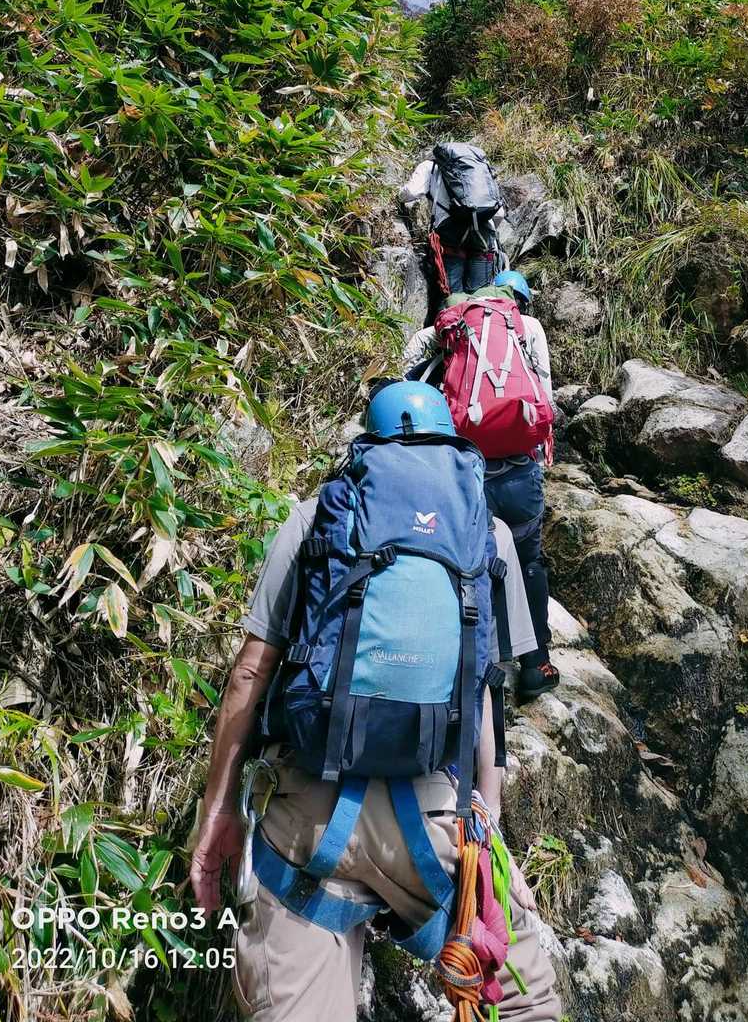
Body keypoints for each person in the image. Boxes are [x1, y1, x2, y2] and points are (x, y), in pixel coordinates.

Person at [190, 381, 559, 1022]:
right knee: (526, 1000)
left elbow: (251, 673)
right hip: (433, 817)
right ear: (451, 443)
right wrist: (488, 827)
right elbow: (486, 691)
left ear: (367, 444)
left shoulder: (314, 518)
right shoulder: (489, 534)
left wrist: (217, 812)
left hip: (305, 811)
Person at [403, 271, 560, 704]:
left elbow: (410, 370)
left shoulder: (448, 327)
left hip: (466, 469)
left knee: (462, 562)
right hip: (519, 472)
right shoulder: (527, 327)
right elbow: (544, 398)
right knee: (528, 560)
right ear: (516, 300)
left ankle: (461, 665)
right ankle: (536, 664)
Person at [400, 142, 505, 304]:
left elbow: (411, 192)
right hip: (484, 232)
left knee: (453, 298)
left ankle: (453, 316)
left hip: (451, 235)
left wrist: (397, 194)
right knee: (482, 298)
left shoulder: (430, 166)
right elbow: (499, 213)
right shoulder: (480, 169)